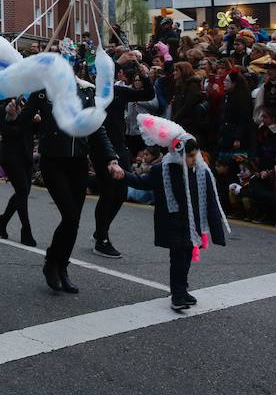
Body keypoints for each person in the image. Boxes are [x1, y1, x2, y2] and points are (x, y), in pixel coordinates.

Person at [116, 116, 228, 311]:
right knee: (178, 258)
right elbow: (143, 182)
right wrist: (123, 175)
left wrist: (216, 229)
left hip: (192, 222)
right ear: (178, 154)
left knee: (186, 257)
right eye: (190, 156)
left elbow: (210, 200)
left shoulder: (201, 172)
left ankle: (182, 289)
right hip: (173, 222)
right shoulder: (163, 170)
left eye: (196, 155)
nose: (194, 159)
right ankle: (177, 294)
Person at [31, 80, 120, 294]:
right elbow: (24, 120)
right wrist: (16, 115)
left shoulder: (86, 92)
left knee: (74, 221)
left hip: (78, 162)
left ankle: (62, 268)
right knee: (70, 216)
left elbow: (97, 128)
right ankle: (51, 262)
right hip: (52, 161)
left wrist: (111, 158)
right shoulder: (43, 92)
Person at [91, 62, 154, 258]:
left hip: (120, 146)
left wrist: (144, 76)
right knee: (108, 192)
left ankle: (101, 231)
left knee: (121, 192)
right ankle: (101, 239)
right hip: (101, 147)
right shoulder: (91, 94)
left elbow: (148, 95)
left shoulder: (119, 91)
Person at [0, 96, 42, 247]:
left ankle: (3, 220)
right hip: (10, 156)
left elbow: (33, 130)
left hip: (26, 154)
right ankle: (26, 231)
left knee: (23, 192)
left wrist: (36, 120)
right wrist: (12, 117)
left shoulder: (27, 104)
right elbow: (1, 131)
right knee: (22, 190)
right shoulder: (3, 107)